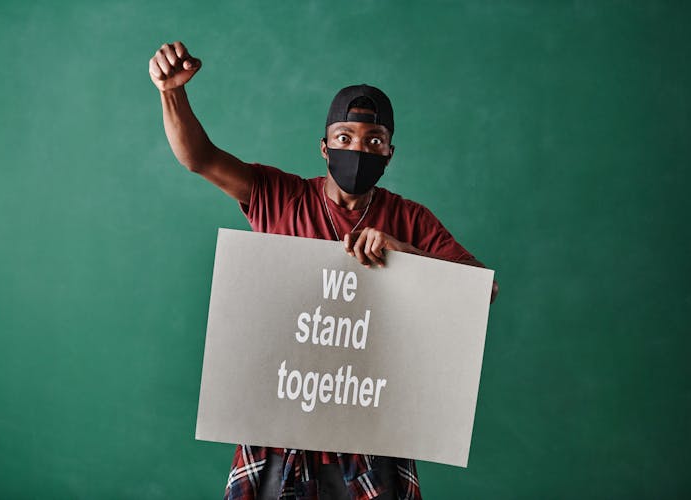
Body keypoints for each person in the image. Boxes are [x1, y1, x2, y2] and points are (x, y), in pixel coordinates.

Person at [149, 41, 499, 500]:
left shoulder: (410, 218)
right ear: (324, 146)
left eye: (373, 141)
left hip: (374, 436)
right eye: (345, 137)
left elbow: (481, 290)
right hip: (279, 432)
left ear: (390, 152)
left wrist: (404, 252)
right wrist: (171, 93)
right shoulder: (278, 194)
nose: (358, 148)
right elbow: (201, 158)